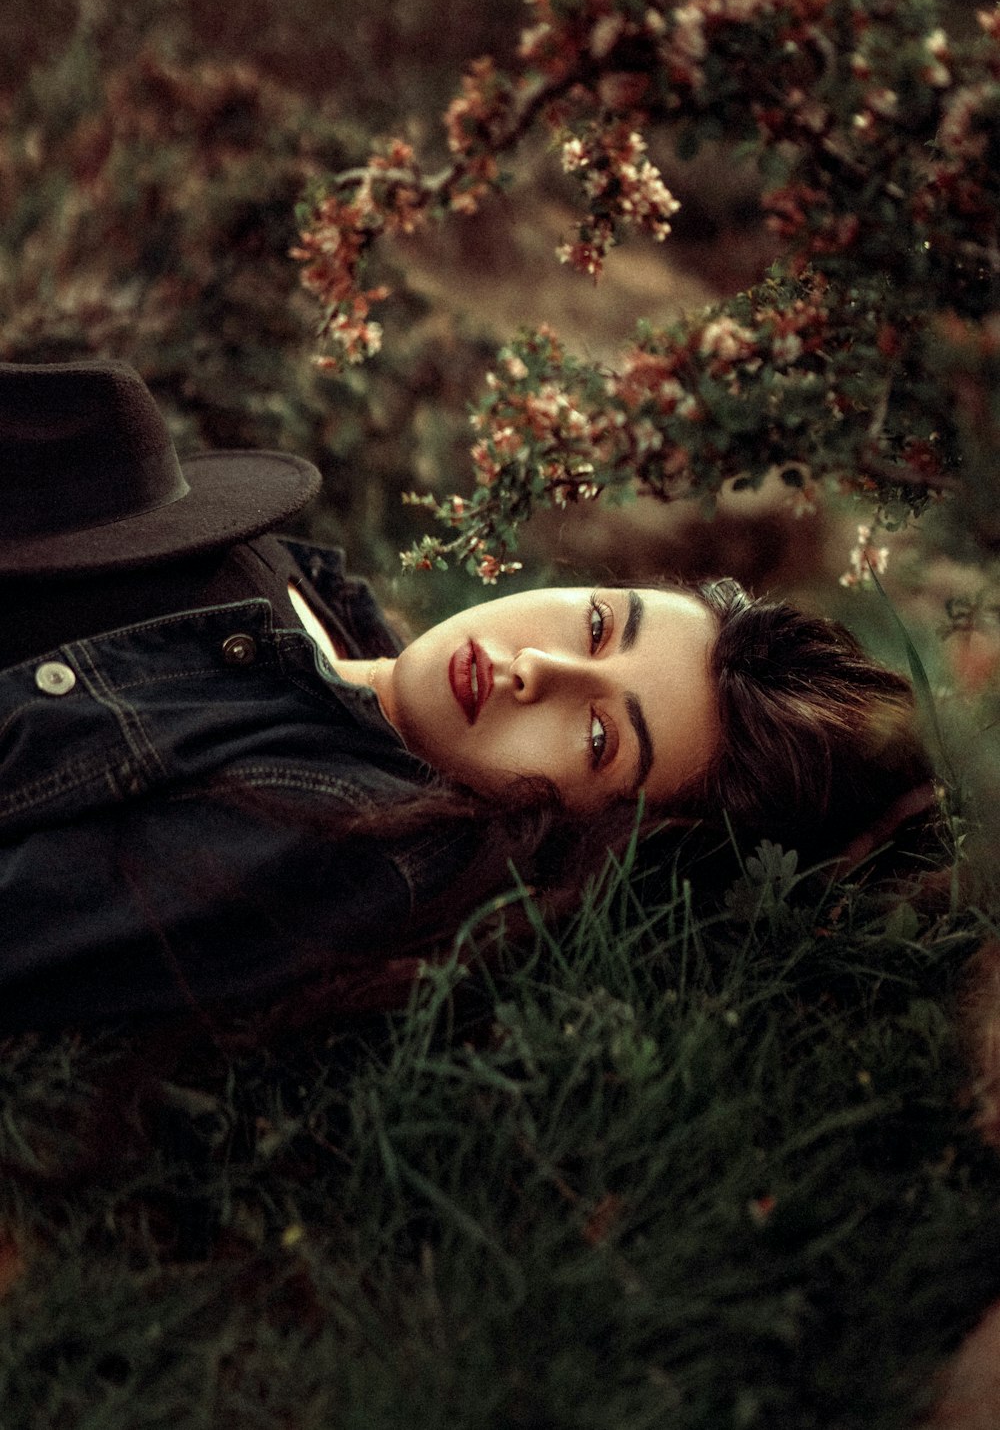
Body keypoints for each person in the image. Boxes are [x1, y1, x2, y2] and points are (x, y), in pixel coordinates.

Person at [0, 360, 938, 1031]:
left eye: (601, 737)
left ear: (587, 838)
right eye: (602, 628)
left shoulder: (340, 836)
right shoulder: (328, 609)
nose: (544, 672)